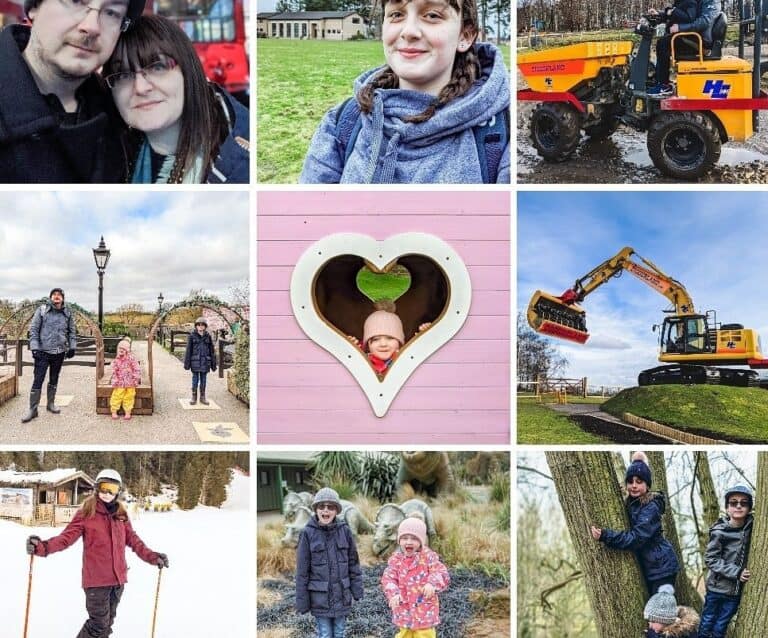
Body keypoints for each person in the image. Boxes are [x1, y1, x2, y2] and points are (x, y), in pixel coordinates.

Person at [299, 0, 510, 184]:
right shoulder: (341, 123)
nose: (409, 31)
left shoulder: (502, 132)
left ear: (465, 35)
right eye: (396, 14)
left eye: (432, 15)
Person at [0, 0, 145, 182]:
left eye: (112, 13)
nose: (91, 27)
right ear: (35, 7)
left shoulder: (126, 121)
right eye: (75, 2)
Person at [103, 14, 249, 183]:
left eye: (157, 67)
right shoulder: (106, 160)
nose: (141, 87)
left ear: (188, 71)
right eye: (122, 75)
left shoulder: (246, 167)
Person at [26, 469, 168, 638]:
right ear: (97, 488)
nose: (107, 493)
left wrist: (153, 557)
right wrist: (42, 547)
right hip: (96, 582)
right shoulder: (86, 513)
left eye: (112, 489)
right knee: (98, 626)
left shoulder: (121, 515)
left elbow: (134, 541)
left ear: (118, 491)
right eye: (104, 488)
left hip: (118, 582)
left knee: (106, 625)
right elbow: (66, 538)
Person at [590, 451, 680, 595]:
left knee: (660, 613)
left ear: (647, 485)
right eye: (630, 481)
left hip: (661, 570)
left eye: (639, 482)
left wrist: (606, 536)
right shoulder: (633, 504)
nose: (634, 486)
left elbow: (637, 538)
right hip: (651, 568)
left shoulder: (651, 507)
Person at [295, 487, 363, 638]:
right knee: (325, 634)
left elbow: (353, 563)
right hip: (320, 598)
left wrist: (357, 590)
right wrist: (302, 601)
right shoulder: (307, 534)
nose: (326, 510)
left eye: (330, 507)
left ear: (337, 510)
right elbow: (302, 571)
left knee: (339, 632)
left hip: (342, 596)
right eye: (321, 506)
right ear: (316, 509)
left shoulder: (344, 531)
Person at [699, 485, 754, 638]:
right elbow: (711, 559)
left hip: (735, 592)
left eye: (744, 503)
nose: (738, 506)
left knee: (720, 626)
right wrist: (736, 572)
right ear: (727, 508)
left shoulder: (752, 528)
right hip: (716, 589)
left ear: (749, 508)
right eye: (733, 502)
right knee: (707, 623)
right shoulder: (719, 531)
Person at [381, 516, 450, 638]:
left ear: (421, 541)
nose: (409, 542)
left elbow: (441, 573)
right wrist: (393, 593)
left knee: (425, 635)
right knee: (404, 635)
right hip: (403, 610)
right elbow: (388, 578)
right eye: (404, 538)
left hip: (425, 611)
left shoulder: (428, 557)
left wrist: (432, 583)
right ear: (399, 541)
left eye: (414, 538)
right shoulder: (396, 560)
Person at [22, 288, 77, 423]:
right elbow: (33, 330)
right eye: (54, 295)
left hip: (59, 352)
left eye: (59, 295)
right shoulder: (42, 310)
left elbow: (72, 332)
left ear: (63, 298)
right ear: (50, 297)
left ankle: (50, 404)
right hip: (42, 352)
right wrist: (34, 348)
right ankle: (33, 409)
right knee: (38, 379)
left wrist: (72, 346)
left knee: (54, 378)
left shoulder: (67, 313)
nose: (57, 297)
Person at [347, 300, 430, 376]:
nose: (383, 344)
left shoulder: (406, 357)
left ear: (399, 342)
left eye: (390, 338)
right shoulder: (362, 360)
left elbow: (420, 352)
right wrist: (351, 349)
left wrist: (426, 336)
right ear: (368, 345)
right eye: (376, 339)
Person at [647, 0, 698, 96]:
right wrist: (659, 14)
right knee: (662, 43)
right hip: (684, 36)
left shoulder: (690, 2)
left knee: (662, 44)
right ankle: (660, 80)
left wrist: (674, 11)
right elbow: (672, 16)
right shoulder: (680, 2)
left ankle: (663, 85)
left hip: (689, 38)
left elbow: (690, 18)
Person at [183, 316, 217, 405]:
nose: (200, 327)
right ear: (196, 326)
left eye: (202, 325)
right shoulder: (192, 336)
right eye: (199, 325)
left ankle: (203, 397)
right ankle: (194, 397)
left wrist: (213, 363)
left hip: (205, 362)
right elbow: (188, 350)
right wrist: (187, 363)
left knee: (204, 379)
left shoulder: (208, 337)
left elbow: (211, 351)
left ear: (205, 326)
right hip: (195, 362)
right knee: (195, 379)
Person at [109, 338, 141, 420]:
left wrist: (136, 378)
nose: (121, 350)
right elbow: (114, 370)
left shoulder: (132, 359)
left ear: (128, 350)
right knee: (117, 396)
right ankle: (114, 411)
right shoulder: (117, 360)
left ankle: (127, 412)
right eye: (120, 348)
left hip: (130, 382)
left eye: (124, 349)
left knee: (129, 397)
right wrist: (114, 380)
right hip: (120, 382)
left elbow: (136, 368)